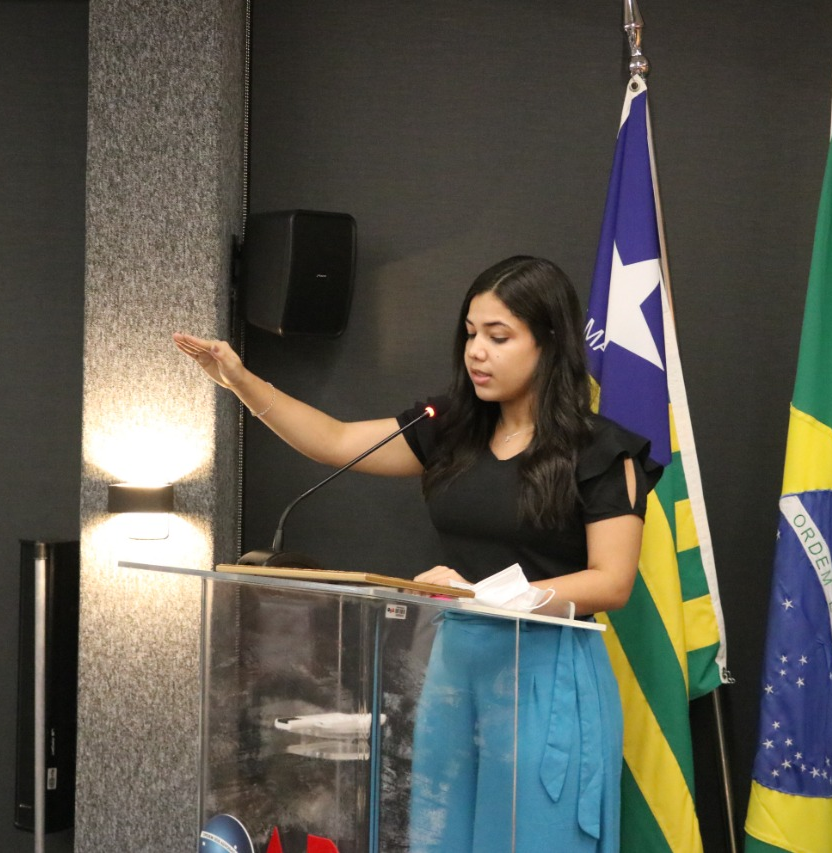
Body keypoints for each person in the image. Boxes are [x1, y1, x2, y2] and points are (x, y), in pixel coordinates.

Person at [175, 255, 660, 853]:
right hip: (453, 667)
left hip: (545, 674)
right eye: (471, 333)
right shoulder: (451, 426)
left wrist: (484, 595)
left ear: (550, 342)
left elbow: (612, 581)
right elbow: (334, 440)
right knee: (441, 841)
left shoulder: (602, 450)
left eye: (499, 337)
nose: (476, 352)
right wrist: (239, 381)